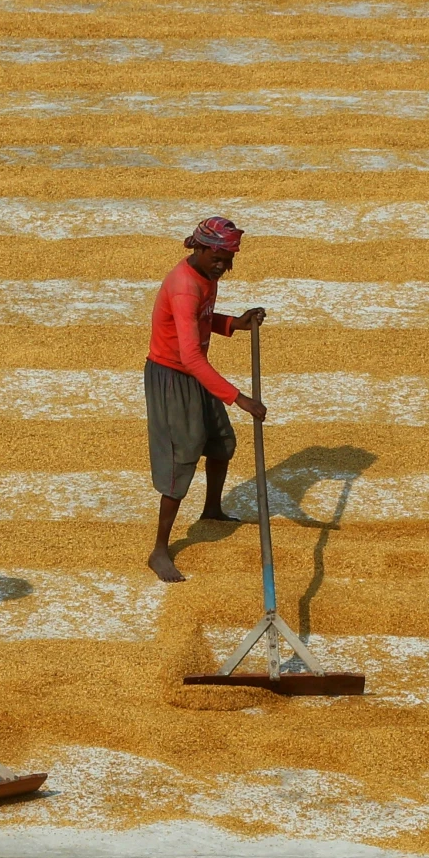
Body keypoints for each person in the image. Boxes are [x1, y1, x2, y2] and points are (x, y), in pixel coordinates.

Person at [144, 215, 266, 583]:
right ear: (199, 248)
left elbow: (203, 318)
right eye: (219, 258)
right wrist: (238, 398)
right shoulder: (184, 286)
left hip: (195, 373)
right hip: (173, 377)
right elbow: (189, 356)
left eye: (229, 260)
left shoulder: (205, 276)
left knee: (220, 442)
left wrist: (235, 323)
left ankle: (212, 509)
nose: (224, 267)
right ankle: (160, 549)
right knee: (182, 459)